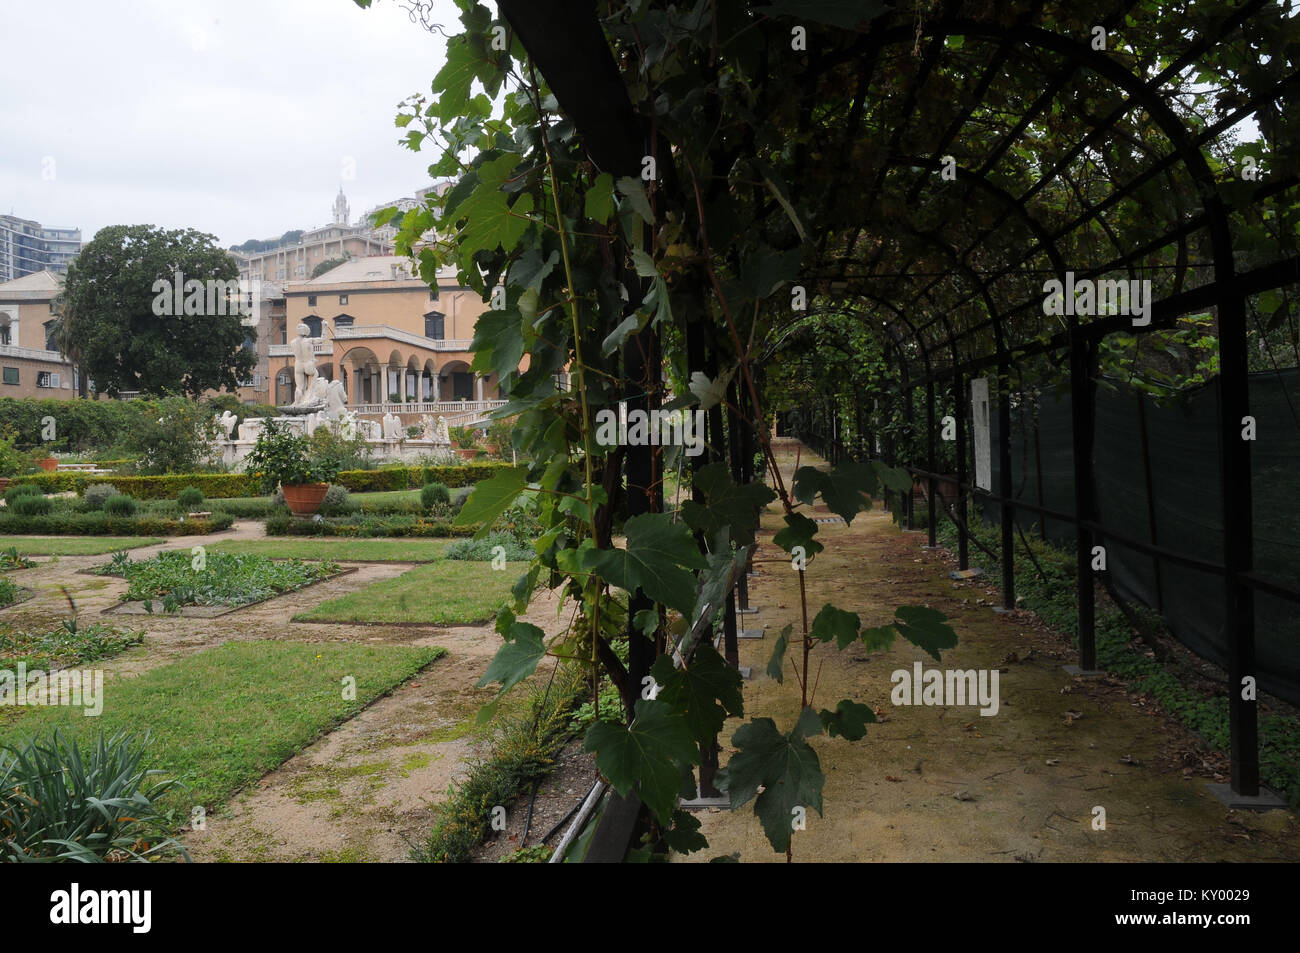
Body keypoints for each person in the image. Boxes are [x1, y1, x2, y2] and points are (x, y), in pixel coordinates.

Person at [290, 323, 318, 404]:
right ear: (306, 331)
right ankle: (309, 393)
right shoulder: (309, 340)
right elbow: (323, 339)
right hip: (308, 363)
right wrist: (325, 328)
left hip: (298, 364)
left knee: (299, 386)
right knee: (315, 373)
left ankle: (297, 401)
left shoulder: (292, 342)